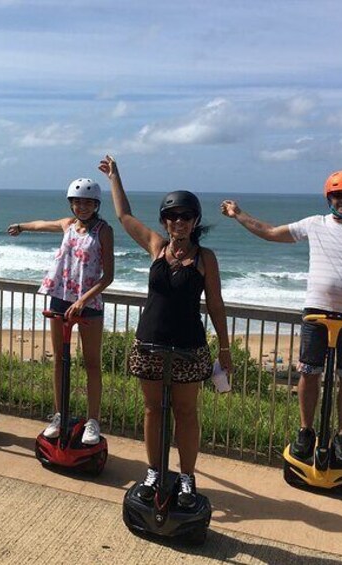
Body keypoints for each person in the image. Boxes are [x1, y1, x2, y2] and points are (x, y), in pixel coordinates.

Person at [220, 170, 342, 466]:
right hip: (315, 314)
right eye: (338, 195)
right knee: (308, 374)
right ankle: (305, 431)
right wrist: (238, 215)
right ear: (329, 198)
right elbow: (271, 232)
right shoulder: (314, 224)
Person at [98, 155, 233, 508]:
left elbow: (216, 305)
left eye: (185, 216)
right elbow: (125, 217)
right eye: (172, 216)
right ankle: (155, 471)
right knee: (152, 409)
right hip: (150, 344)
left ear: (195, 220)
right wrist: (115, 177)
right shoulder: (157, 247)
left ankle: (187, 477)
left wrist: (225, 349)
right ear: (164, 221)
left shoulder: (206, 258)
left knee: (186, 413)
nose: (178, 222)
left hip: (189, 346)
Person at [7, 178, 115, 445]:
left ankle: (93, 421)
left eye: (88, 202)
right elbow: (43, 225)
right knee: (60, 360)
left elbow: (108, 275)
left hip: (88, 303)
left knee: (91, 363)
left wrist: (83, 300)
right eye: (78, 202)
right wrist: (21, 227)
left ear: (96, 204)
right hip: (60, 298)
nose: (82, 206)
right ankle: (59, 415)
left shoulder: (103, 230)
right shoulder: (67, 225)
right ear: (71, 203)